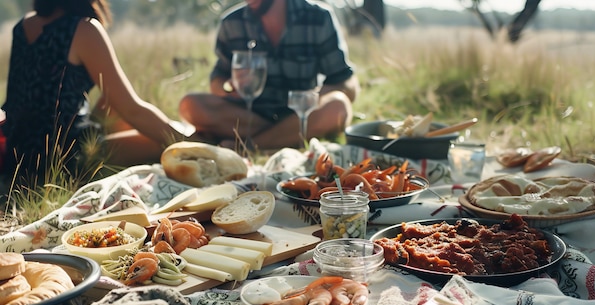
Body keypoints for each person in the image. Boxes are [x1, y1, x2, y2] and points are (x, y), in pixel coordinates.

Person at [0, 0, 194, 183]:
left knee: (113, 103)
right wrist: (195, 145)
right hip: (67, 157)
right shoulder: (83, 29)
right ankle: (193, 141)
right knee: (164, 144)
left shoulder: (23, 26)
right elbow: (133, 110)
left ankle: (181, 133)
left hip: (17, 154)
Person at [178, 0, 360, 151]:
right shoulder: (232, 22)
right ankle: (282, 140)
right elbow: (218, 80)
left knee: (338, 106)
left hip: (298, 115)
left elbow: (346, 83)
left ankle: (247, 146)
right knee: (190, 105)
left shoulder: (319, 17)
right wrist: (229, 86)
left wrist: (319, 95)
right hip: (248, 115)